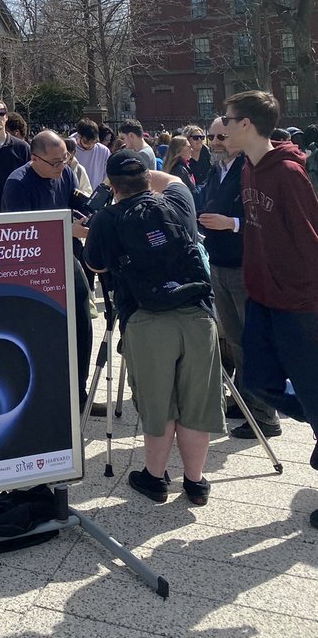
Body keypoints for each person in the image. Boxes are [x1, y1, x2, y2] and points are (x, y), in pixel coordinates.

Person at [83, 152, 224, 506]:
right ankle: (196, 482)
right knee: (197, 402)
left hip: (146, 317)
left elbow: (96, 264)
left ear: (113, 185)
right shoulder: (179, 202)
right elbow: (172, 181)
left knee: (158, 405)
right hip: (196, 312)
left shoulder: (106, 218)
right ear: (148, 177)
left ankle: (155, 477)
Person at [221, 91, 318, 528]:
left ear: (246, 125)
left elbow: (310, 241)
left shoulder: (290, 174)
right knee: (257, 380)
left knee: (314, 391)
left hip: (299, 302)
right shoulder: (247, 169)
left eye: (227, 118)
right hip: (261, 295)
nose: (221, 126)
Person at [197, 116, 280, 439]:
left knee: (251, 341)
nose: (215, 141)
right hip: (218, 262)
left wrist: (230, 223)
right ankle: (245, 401)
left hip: (244, 265)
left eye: (221, 136)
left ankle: (264, 415)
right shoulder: (215, 167)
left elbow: (263, 220)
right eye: (211, 136)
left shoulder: (250, 169)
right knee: (232, 339)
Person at [2, 131, 94, 410]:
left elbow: (76, 201)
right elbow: (23, 233)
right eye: (54, 162)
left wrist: (94, 212)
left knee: (82, 321)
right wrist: (68, 229)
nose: (61, 167)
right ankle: (38, 392)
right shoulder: (17, 184)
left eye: (65, 159)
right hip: (33, 268)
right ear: (34, 159)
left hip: (67, 256)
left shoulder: (65, 173)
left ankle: (78, 390)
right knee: (40, 329)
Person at [71, 119, 111, 189]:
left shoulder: (103, 151)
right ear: (79, 136)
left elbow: (108, 175)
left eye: (94, 142)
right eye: (86, 142)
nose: (91, 145)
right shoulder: (69, 148)